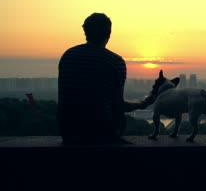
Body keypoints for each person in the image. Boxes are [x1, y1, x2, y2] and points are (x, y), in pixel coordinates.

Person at [57, 13, 152, 144]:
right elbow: (118, 106)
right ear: (109, 33)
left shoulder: (68, 55)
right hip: (102, 133)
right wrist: (143, 104)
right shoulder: (114, 61)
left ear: (85, 31)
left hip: (69, 131)